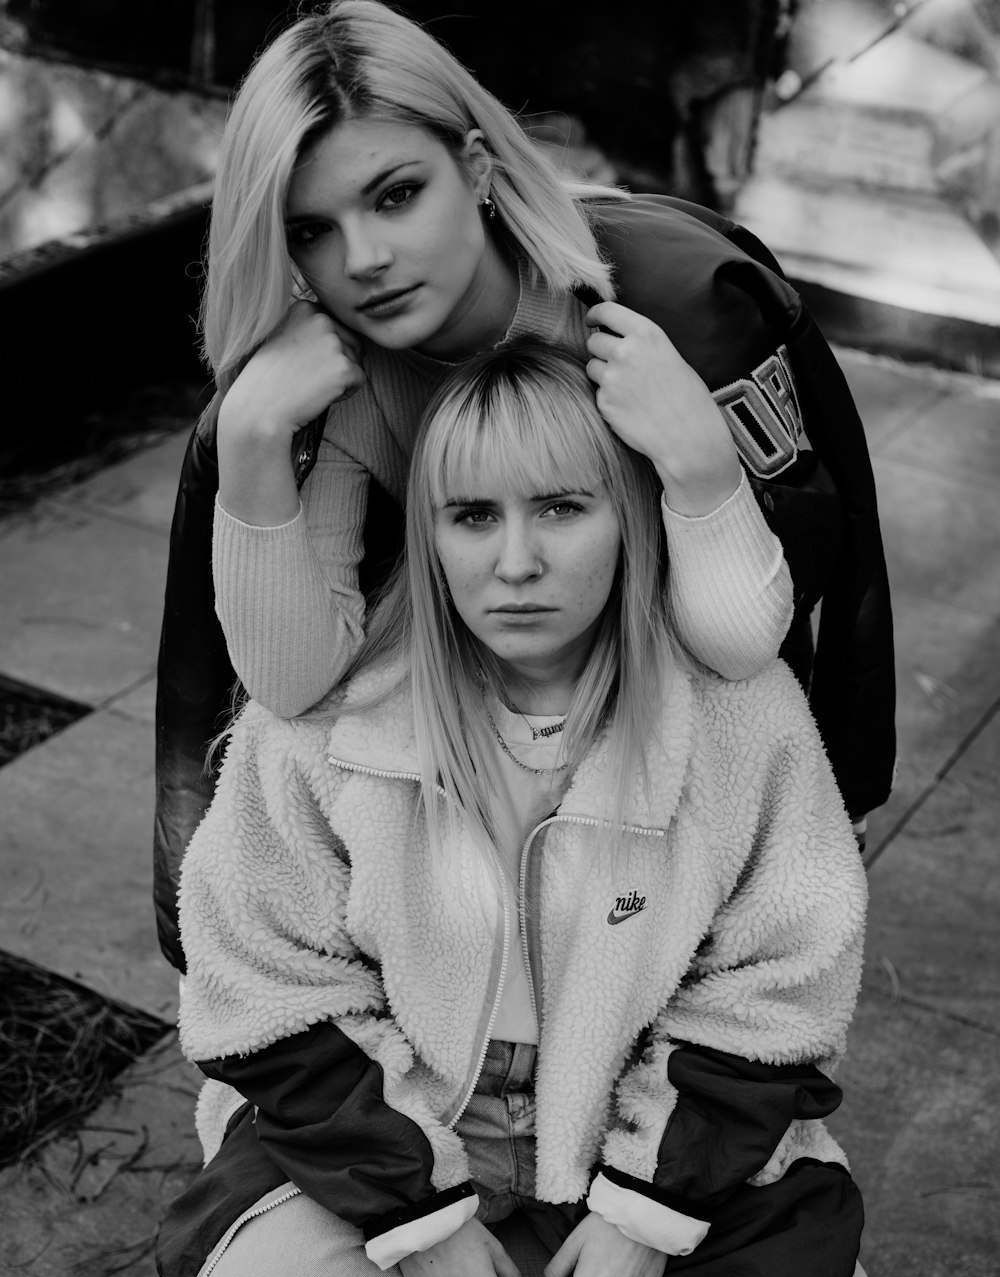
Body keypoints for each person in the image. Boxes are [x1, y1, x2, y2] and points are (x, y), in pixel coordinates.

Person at [132, 342, 948, 1277]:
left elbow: (784, 980)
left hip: (668, 1155)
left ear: (627, 516)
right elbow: (262, 982)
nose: (515, 563)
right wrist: (418, 1220)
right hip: (374, 1155)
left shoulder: (736, 716)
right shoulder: (325, 723)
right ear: (427, 532)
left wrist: (646, 1215)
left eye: (562, 508)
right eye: (471, 515)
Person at [154, 0, 895, 972]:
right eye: (312, 231)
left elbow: (743, 651)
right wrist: (252, 440)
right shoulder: (338, 392)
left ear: (471, 166)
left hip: (667, 811)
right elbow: (291, 684)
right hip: (474, 826)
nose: (364, 261)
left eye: (394, 195)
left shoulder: (663, 318)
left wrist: (697, 462)